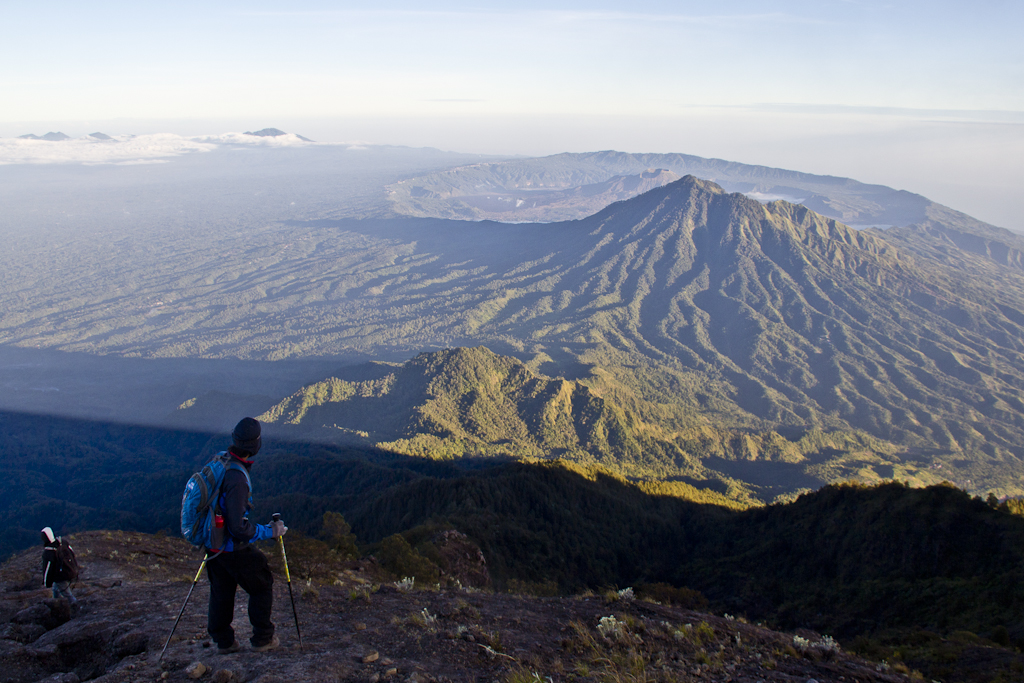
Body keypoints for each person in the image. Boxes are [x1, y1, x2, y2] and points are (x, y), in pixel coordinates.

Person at [206, 417, 287, 654]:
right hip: (232, 547)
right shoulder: (237, 478)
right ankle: (262, 638)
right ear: (255, 445)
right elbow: (238, 528)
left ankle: (224, 642)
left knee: (221, 589)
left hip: (213, 543)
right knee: (262, 584)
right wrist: (268, 531)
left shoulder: (220, 461)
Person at [41, 527, 78, 608]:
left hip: (61, 576)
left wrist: (46, 582)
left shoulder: (48, 552)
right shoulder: (63, 542)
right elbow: (72, 554)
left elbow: (48, 569)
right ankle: (59, 605)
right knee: (56, 589)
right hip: (70, 570)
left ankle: (77, 607)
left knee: (67, 594)